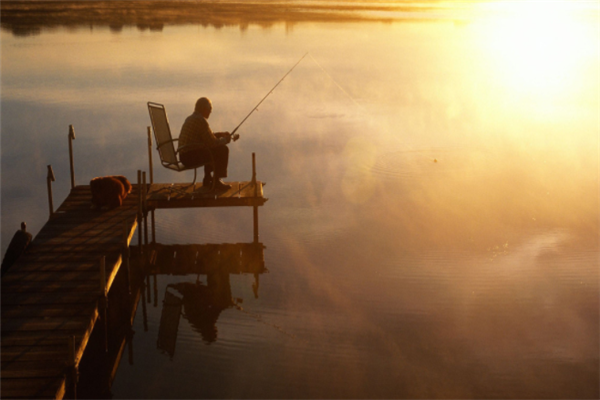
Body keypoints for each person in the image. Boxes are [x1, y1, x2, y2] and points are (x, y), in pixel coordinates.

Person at [178, 97, 232, 190]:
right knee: (222, 149)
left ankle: (207, 179)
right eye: (209, 109)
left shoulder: (191, 118)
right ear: (203, 109)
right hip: (189, 157)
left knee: (207, 149)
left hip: (184, 155)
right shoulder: (201, 121)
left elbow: (206, 137)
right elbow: (212, 143)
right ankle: (216, 181)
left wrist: (220, 134)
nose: (210, 112)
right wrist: (225, 140)